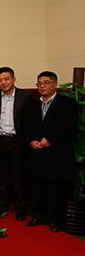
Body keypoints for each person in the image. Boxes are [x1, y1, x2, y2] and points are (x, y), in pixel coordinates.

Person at [26, 71, 77, 233]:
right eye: (39, 83)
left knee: (55, 188)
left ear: (55, 84)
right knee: (37, 187)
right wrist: (31, 140)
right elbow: (25, 126)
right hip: (37, 153)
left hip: (57, 153)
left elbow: (70, 127)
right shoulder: (32, 105)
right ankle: (38, 216)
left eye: (46, 82)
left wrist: (50, 140)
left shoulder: (68, 104)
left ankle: (54, 220)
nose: (42, 86)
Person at [0, 66, 34, 220]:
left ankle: (20, 209)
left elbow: (31, 120)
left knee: (19, 177)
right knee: (0, 177)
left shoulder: (25, 96)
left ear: (13, 79)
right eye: (0, 80)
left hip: (18, 141)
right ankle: (2, 207)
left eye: (6, 79)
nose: (3, 82)